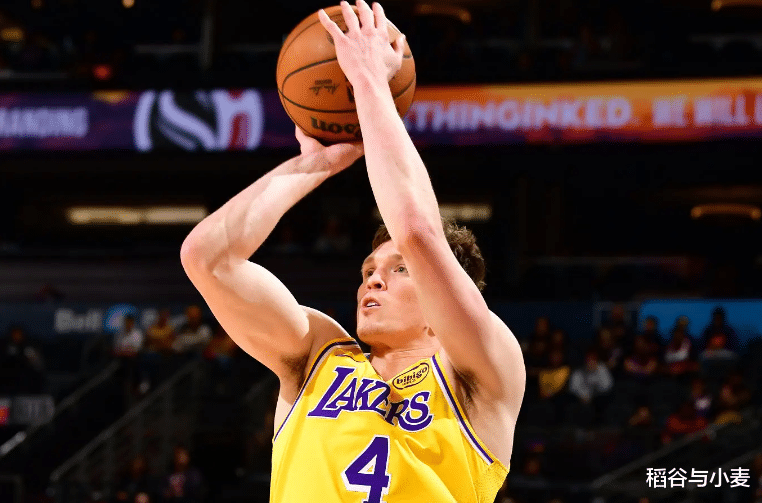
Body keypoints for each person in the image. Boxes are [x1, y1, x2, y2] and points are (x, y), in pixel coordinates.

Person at [179, 2, 525, 501]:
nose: (373, 280)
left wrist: (369, 82)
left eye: (399, 270)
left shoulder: (481, 372)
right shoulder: (317, 354)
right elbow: (207, 259)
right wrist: (312, 166)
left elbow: (418, 233)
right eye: (368, 270)